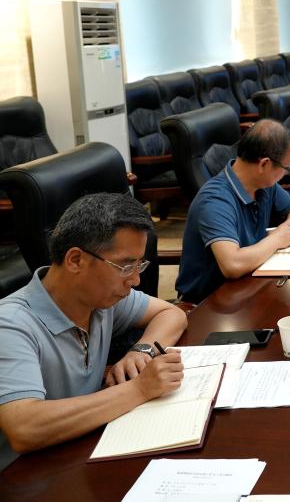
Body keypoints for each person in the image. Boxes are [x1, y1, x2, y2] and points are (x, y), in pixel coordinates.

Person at [0, 193, 188, 471]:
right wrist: (139, 388)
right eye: (126, 266)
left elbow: (172, 314)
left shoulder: (100, 300)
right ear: (76, 260)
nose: (135, 280)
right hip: (27, 475)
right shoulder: (10, 325)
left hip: (84, 450)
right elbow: (24, 427)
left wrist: (142, 349)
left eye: (139, 265)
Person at [176, 119, 290, 303]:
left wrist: (287, 228)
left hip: (249, 284)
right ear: (264, 164)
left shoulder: (264, 185)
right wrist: (277, 239)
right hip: (209, 302)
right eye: (287, 168)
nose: (287, 173)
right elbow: (232, 265)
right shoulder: (215, 200)